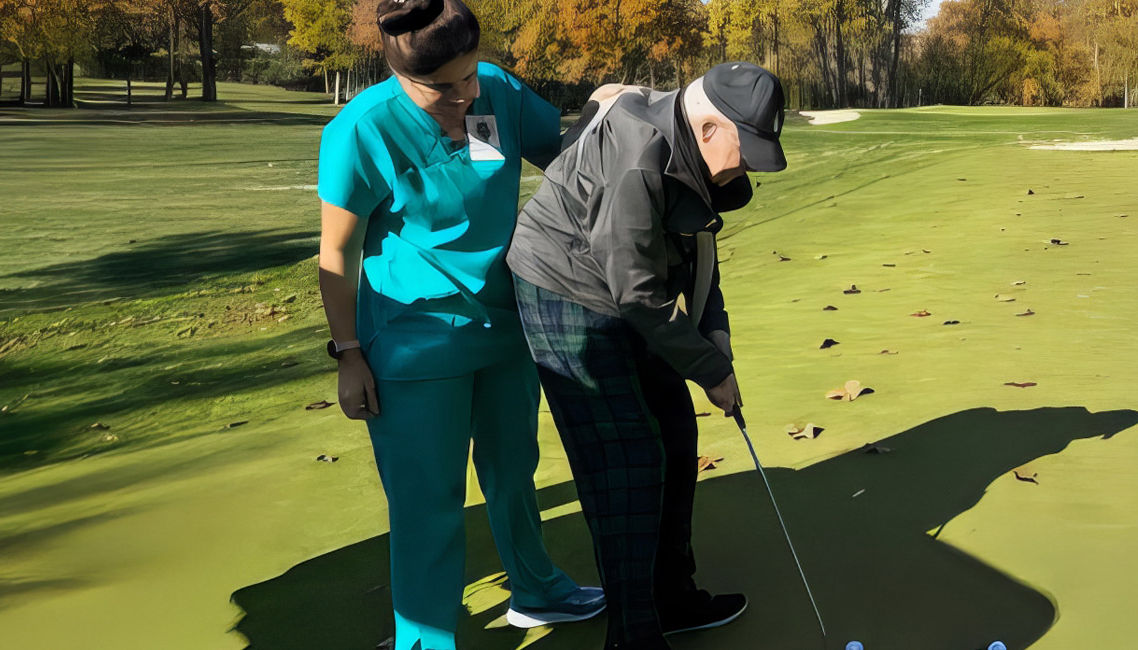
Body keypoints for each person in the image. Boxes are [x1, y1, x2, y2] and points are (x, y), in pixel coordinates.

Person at [312, 0, 608, 647]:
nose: (463, 95)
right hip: (413, 345)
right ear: (397, 73)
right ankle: (425, 641)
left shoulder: (489, 95)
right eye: (441, 87)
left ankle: (537, 590)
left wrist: (607, 110)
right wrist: (349, 354)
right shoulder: (360, 132)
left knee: (514, 471)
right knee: (428, 505)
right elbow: (336, 255)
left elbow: (568, 157)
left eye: (469, 75)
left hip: (505, 328)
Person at [506, 62, 789, 650]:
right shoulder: (639, 158)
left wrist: (715, 331)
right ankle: (634, 634)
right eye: (745, 149)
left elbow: (697, 253)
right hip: (563, 285)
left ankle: (672, 598)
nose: (747, 166)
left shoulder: (698, 152)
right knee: (627, 459)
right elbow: (635, 291)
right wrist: (711, 372)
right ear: (710, 129)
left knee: (674, 431)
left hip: (627, 286)